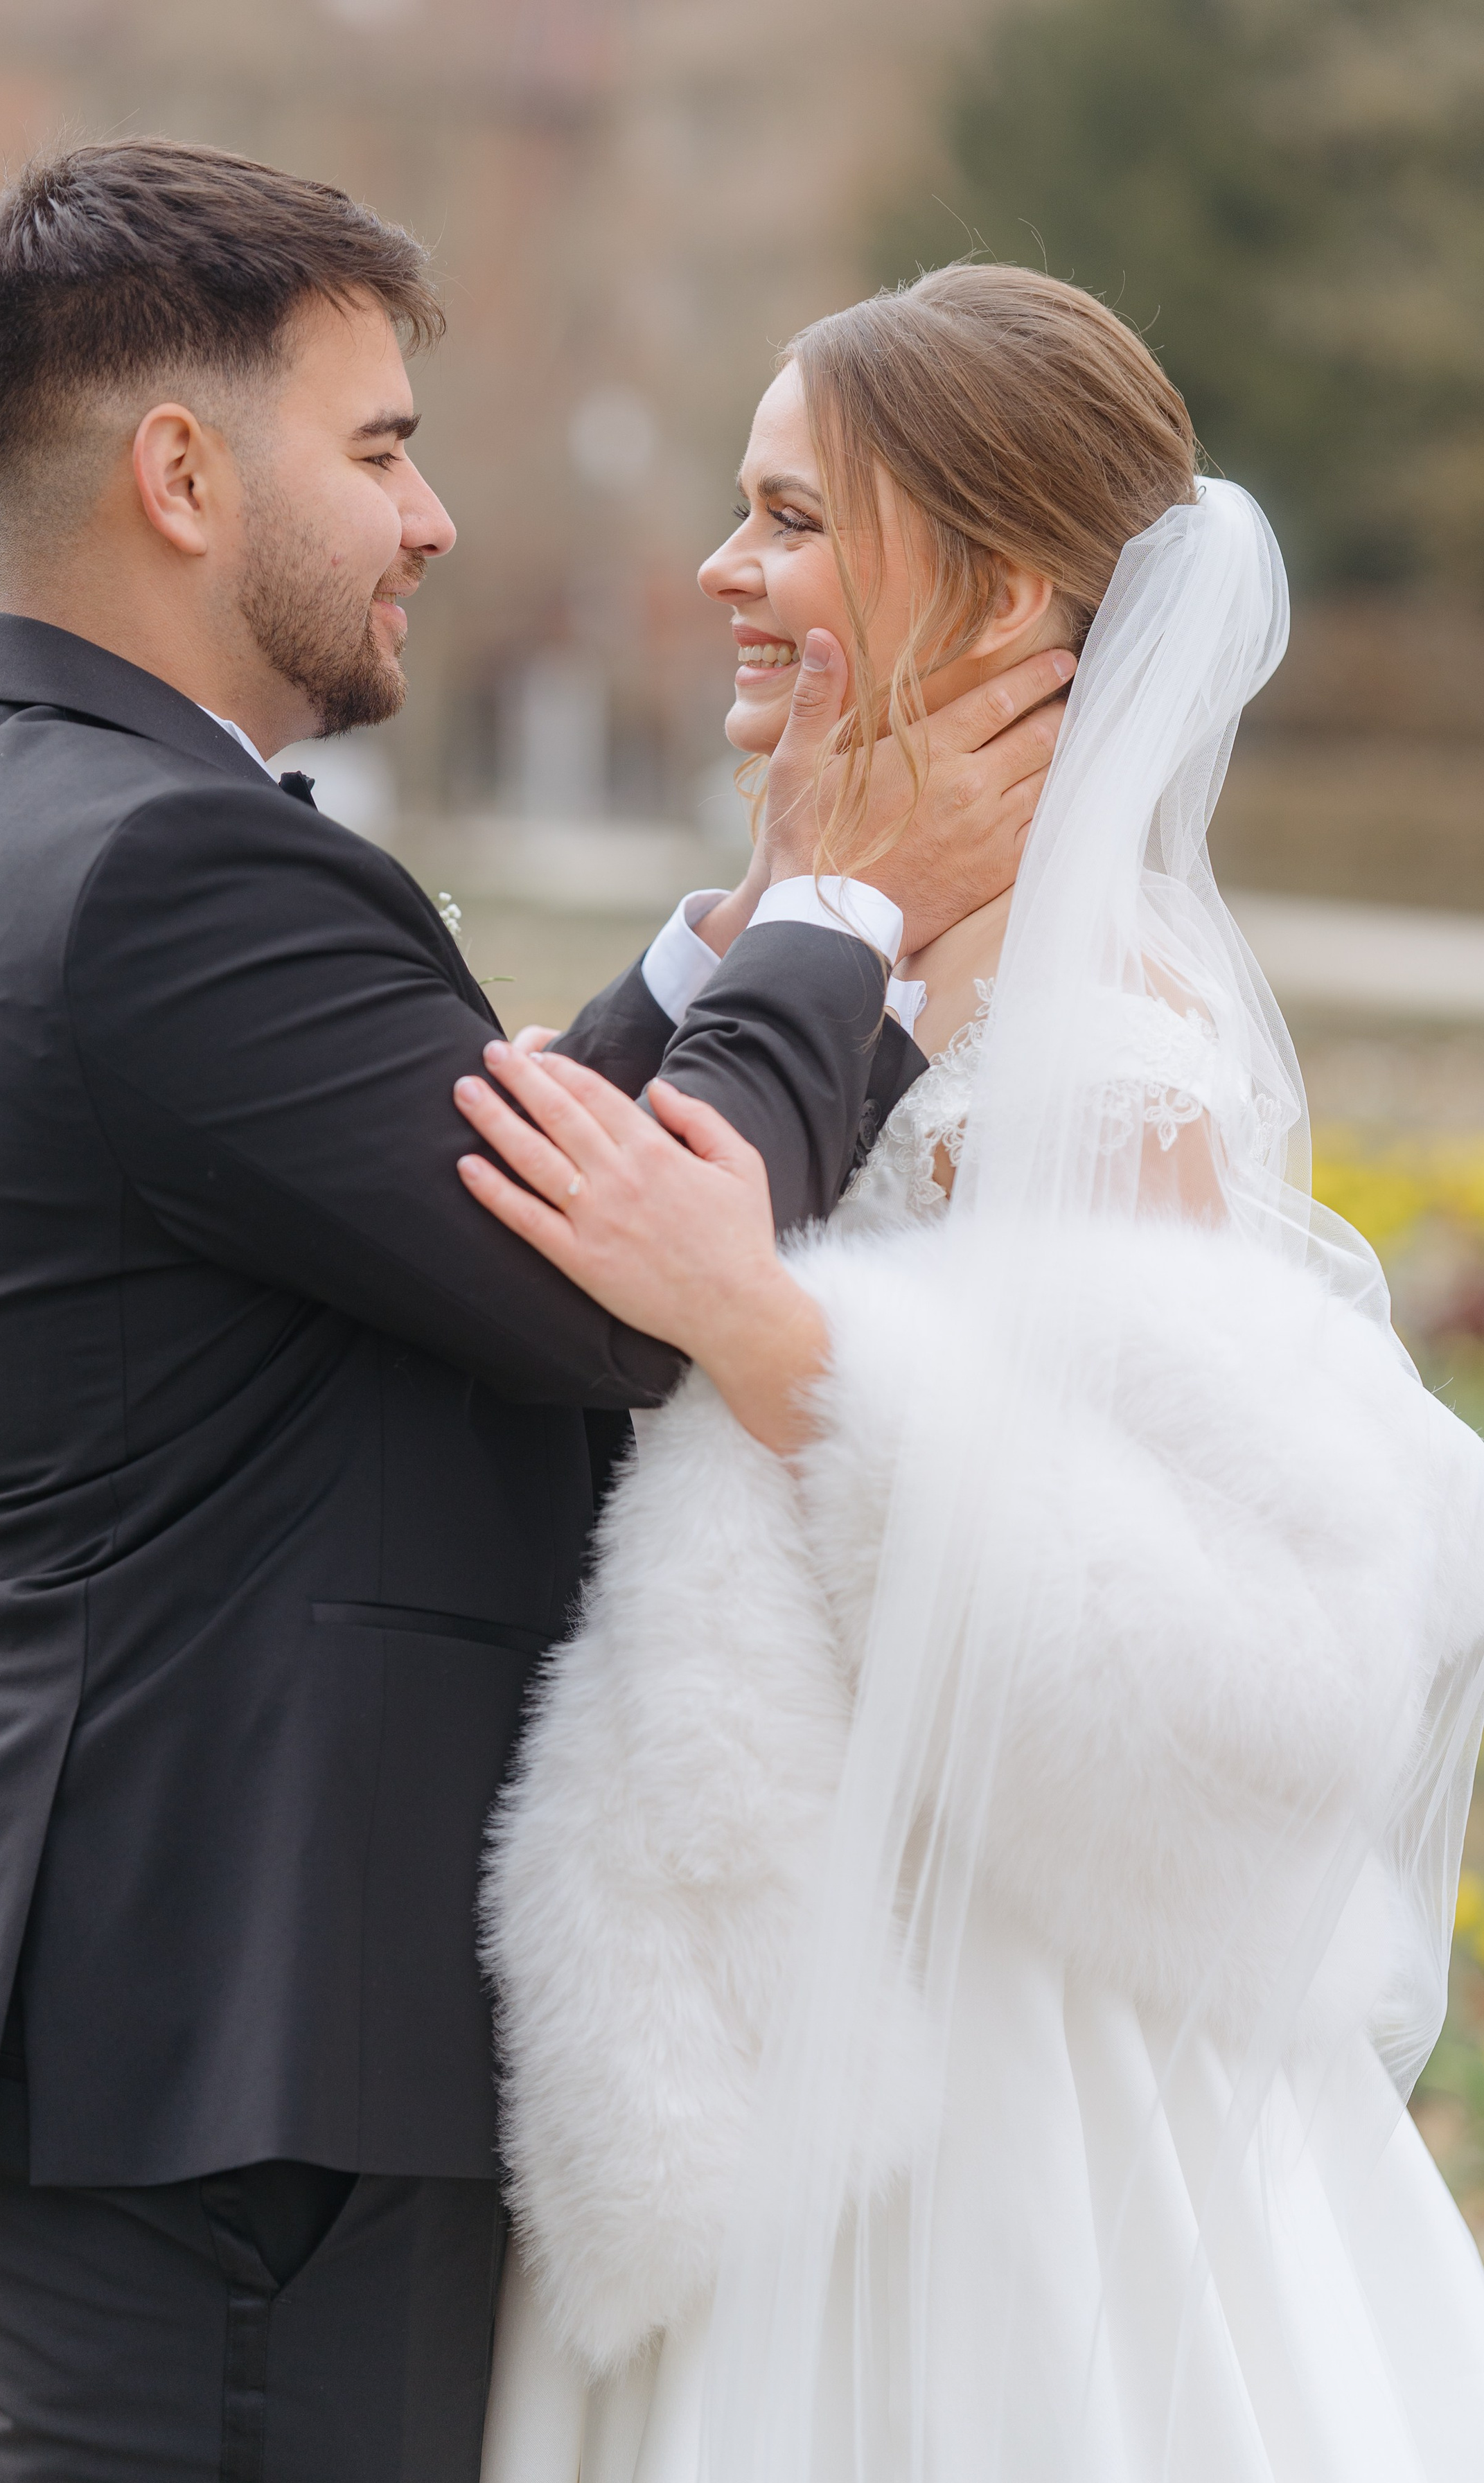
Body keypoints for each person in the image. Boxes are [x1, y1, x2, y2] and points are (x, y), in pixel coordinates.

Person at [0, 149, 1066, 2482]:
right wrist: (856, 912)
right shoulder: (168, 863)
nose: (433, 518)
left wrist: (734, 937)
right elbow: (609, 1296)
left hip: (128, 2022)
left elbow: (450, 1188)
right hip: (219, 2054)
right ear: (185, 476)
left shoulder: (38, 805)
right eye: (379, 449)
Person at [467, 267, 1484, 2481]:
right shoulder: (828, 944)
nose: (723, 571)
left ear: (1007, 591)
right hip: (748, 1945)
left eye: (792, 519)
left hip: (995, 2036)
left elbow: (1190, 1628)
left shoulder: (1099, 1032)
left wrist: (775, 1336)